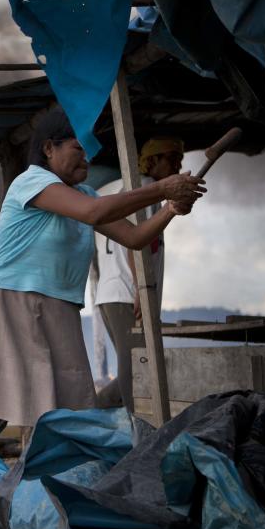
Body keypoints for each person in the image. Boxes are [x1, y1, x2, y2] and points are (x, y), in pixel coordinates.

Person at [0, 109, 205, 529]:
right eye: (77, 147)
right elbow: (95, 211)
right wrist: (161, 187)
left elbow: (136, 239)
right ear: (49, 148)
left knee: (70, 417)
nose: (86, 156)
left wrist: (172, 208)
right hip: (10, 303)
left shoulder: (82, 191)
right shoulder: (31, 182)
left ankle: (49, 511)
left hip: (60, 312)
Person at [94, 137, 185, 411]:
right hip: (127, 292)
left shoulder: (130, 190)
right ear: (153, 161)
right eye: (172, 159)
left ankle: (95, 409)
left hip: (112, 292)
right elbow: (136, 244)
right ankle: (139, 429)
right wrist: (140, 289)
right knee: (137, 368)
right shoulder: (147, 189)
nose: (178, 166)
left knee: (131, 364)